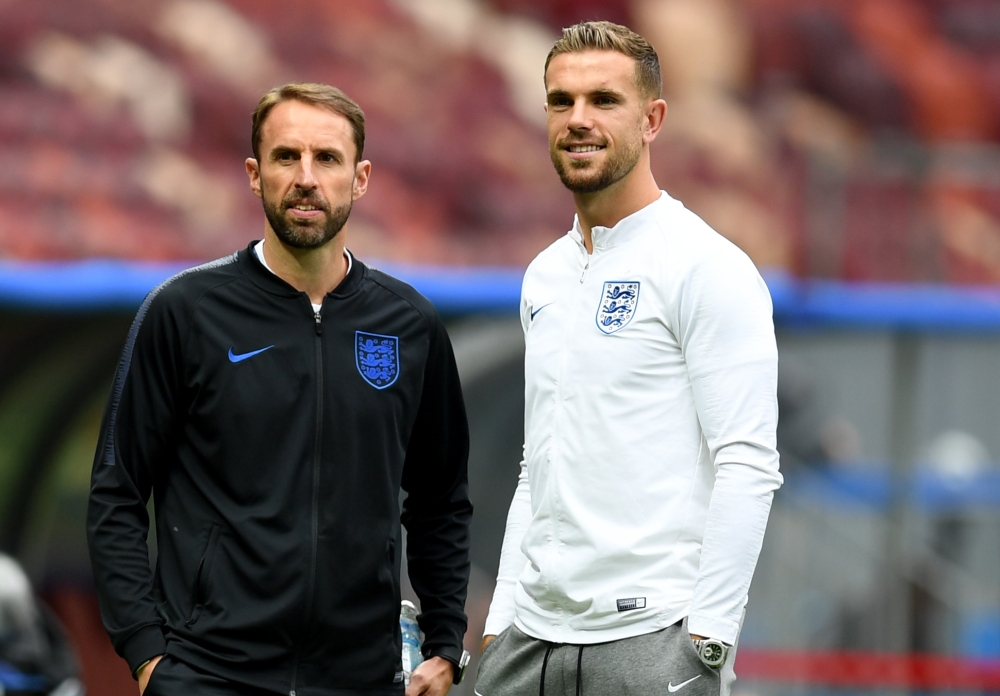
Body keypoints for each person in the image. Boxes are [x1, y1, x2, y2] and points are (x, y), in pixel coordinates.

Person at [87, 82, 473, 696]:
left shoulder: (411, 325)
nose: (305, 177)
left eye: (327, 158)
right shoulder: (185, 312)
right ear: (253, 173)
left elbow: (440, 500)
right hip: (209, 674)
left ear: (362, 176)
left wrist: (445, 644)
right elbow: (117, 492)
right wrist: (147, 654)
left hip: (360, 678)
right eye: (285, 156)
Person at [477, 21, 782, 696]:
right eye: (562, 101)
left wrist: (706, 640)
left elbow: (749, 463)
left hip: (652, 641)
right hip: (530, 642)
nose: (578, 119)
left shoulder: (707, 267)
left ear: (653, 119)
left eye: (604, 101)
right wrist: (501, 620)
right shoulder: (544, 276)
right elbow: (539, 464)